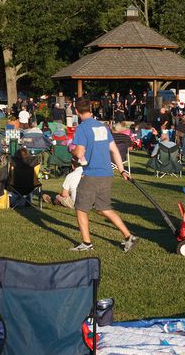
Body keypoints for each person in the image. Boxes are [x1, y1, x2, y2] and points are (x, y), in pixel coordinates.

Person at [70, 98, 138, 252]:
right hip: (107, 173)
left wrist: (72, 151)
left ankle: (86, 244)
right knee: (103, 208)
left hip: (92, 174)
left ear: (76, 111)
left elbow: (79, 152)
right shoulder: (103, 127)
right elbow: (114, 150)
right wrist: (122, 170)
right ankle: (128, 236)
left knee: (81, 209)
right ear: (91, 109)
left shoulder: (82, 128)